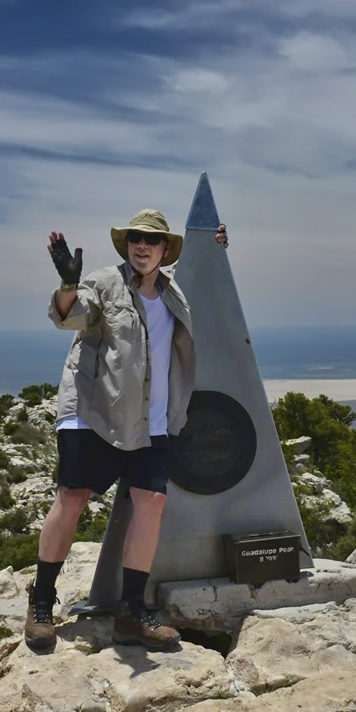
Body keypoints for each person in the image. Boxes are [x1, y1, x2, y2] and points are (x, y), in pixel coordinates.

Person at [25, 208, 228, 651]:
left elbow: (205, 270)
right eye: (135, 238)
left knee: (152, 503)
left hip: (151, 421)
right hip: (94, 411)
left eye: (151, 240)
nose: (142, 246)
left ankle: (131, 612)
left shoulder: (174, 291)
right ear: (127, 245)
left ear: (164, 250)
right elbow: (69, 316)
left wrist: (215, 243)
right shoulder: (102, 283)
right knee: (72, 498)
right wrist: (66, 283)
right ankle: (41, 602)